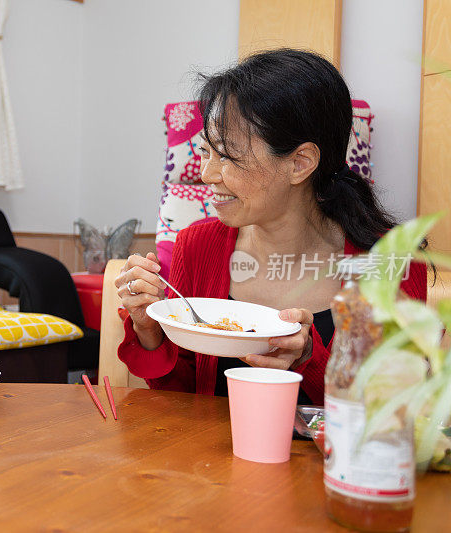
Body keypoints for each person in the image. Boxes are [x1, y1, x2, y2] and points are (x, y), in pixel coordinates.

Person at [116, 49, 427, 404]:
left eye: (229, 156)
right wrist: (149, 329)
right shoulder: (197, 245)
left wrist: (309, 358)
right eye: (206, 152)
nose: (207, 175)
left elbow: (396, 409)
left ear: (300, 163)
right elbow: (184, 399)